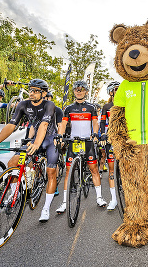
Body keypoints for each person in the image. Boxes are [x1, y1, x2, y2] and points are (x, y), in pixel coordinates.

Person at [0, 79, 62, 223]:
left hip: (49, 140)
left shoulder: (49, 105)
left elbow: (44, 124)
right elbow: (11, 125)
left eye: (35, 91)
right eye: (31, 90)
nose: (31, 93)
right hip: (35, 139)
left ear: (44, 93)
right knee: (13, 162)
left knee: (51, 172)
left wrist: (37, 144)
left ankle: (46, 207)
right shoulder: (23, 105)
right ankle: (16, 192)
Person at [56, 80, 107, 213]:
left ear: (86, 91)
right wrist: (60, 135)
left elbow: (95, 122)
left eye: (82, 89)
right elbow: (63, 124)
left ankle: (99, 198)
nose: (79, 91)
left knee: (94, 170)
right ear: (74, 91)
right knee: (68, 172)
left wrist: (95, 133)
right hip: (74, 142)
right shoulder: (68, 108)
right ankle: (64, 203)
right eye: (77, 89)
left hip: (87, 141)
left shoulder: (91, 108)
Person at [99, 81, 120, 211]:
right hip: (111, 140)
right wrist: (102, 134)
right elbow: (102, 122)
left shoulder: (126, 103)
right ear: (111, 92)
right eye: (116, 89)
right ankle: (113, 199)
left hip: (125, 139)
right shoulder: (106, 106)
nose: (118, 91)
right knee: (111, 169)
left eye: (119, 89)